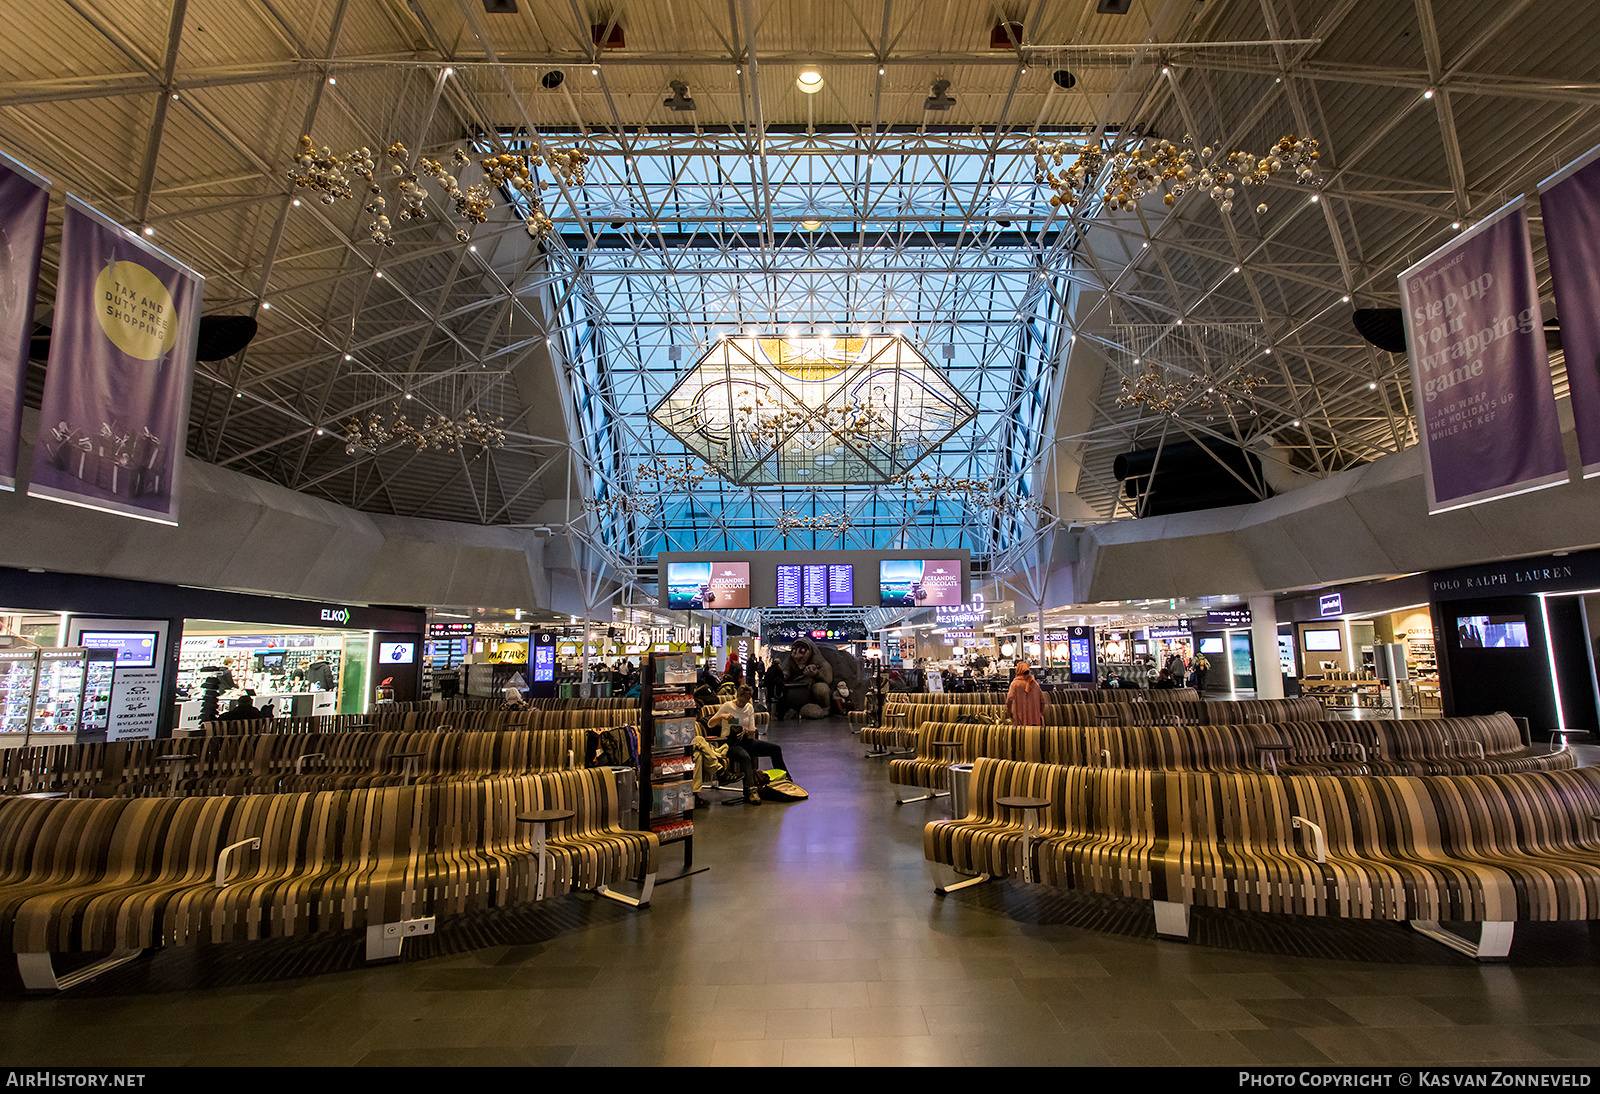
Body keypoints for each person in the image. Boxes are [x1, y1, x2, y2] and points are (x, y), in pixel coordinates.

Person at [707, 686, 788, 805]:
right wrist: (722, 717)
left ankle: (784, 779)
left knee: (775, 749)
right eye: (740, 701)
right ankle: (750, 790)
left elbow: (752, 734)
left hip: (745, 740)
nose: (741, 704)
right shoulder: (727, 706)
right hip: (730, 743)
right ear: (737, 697)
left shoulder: (749, 708)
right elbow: (710, 724)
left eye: (744, 702)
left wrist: (748, 731)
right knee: (745, 757)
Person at [1005, 661, 1047, 726]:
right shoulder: (1034, 683)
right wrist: (1039, 713)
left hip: (1019, 721)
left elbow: (1009, 699)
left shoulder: (1015, 684)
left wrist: (1009, 713)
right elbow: (1042, 701)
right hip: (1034, 721)